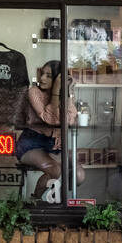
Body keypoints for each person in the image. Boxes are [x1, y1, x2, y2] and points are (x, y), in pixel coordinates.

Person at [14, 60, 82, 200]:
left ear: (58, 78)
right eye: (42, 74)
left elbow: (69, 119)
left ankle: (57, 198)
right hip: (31, 143)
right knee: (56, 170)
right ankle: (36, 201)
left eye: (49, 76)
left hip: (52, 144)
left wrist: (67, 91)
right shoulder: (34, 92)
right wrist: (56, 92)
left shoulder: (65, 95)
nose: (42, 78)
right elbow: (49, 118)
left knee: (78, 176)